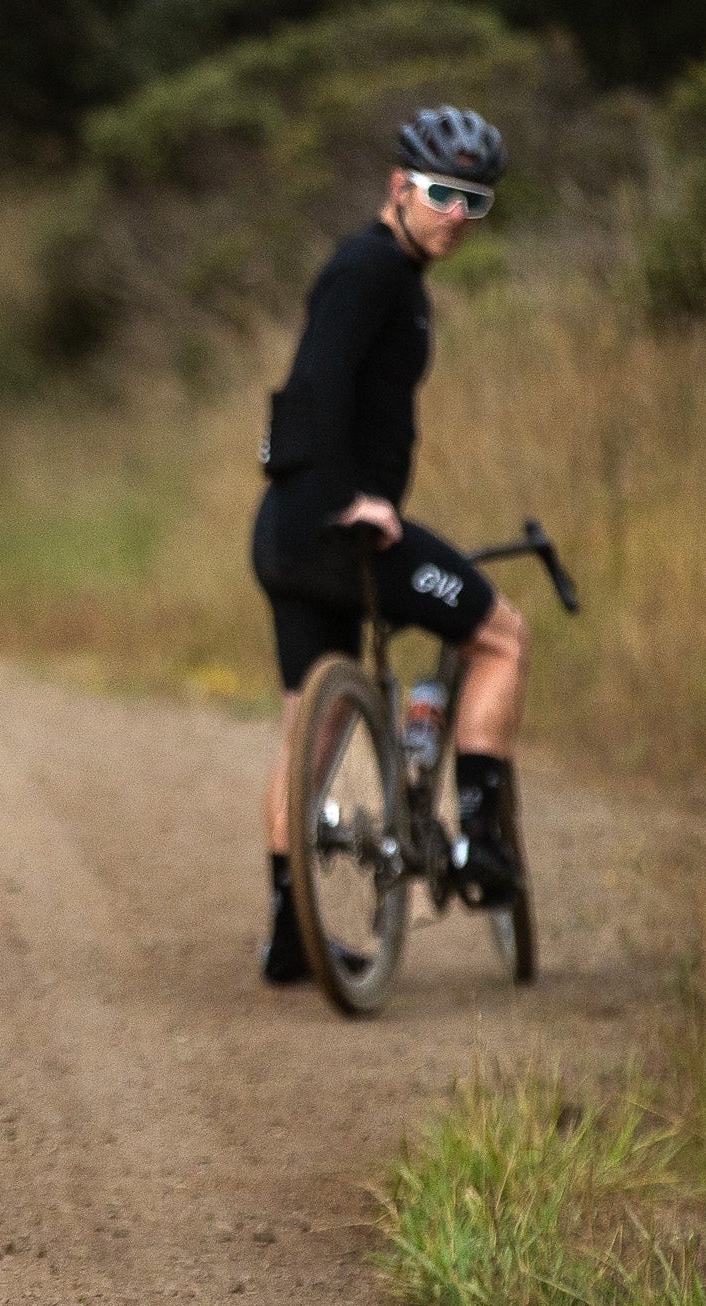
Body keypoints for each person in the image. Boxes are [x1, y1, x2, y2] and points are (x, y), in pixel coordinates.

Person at [251, 105, 530, 985]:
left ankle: (291, 936)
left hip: (290, 536)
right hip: (345, 533)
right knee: (499, 634)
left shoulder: (386, 272)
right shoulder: (372, 271)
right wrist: (354, 503)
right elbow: (315, 388)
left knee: (309, 725)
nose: (456, 214)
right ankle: (484, 848)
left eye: (474, 202)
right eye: (442, 194)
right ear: (397, 187)